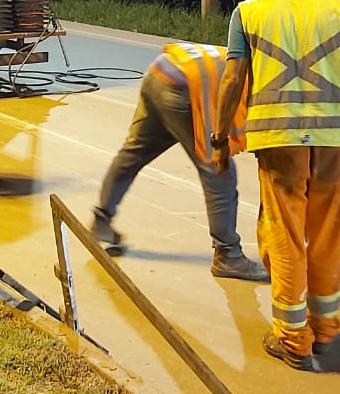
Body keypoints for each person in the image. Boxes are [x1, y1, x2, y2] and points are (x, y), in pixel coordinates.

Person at [214, 0, 340, 371]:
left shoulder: (248, 12)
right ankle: (325, 332)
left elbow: (232, 79)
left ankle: (291, 338)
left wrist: (219, 134)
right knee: (326, 235)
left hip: (279, 142)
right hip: (336, 139)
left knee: (284, 234)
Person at [90, 42, 269, 282]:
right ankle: (228, 256)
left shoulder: (250, 61)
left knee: (134, 152)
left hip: (161, 72)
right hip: (184, 88)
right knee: (219, 169)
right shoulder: (268, 86)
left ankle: (102, 219)